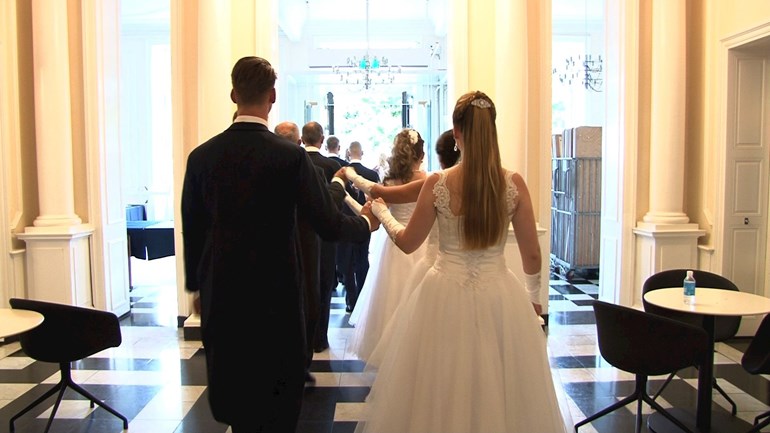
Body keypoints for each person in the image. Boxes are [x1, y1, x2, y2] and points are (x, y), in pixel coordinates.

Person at [180, 56, 379, 433]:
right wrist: (365, 225)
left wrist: (196, 285)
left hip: (223, 292)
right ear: (272, 96)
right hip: (278, 295)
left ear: (233, 94)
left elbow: (194, 227)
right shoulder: (290, 156)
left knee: (236, 397)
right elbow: (327, 222)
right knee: (277, 402)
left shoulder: (202, 157)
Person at [354, 91, 572, 433]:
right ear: (492, 129)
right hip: (501, 292)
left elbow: (409, 243)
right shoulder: (513, 183)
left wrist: (381, 212)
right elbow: (532, 254)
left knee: (440, 381)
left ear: (457, 132)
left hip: (442, 293)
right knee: (502, 383)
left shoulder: (438, 183)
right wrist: (533, 300)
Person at [347, 128, 428, 362]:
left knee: (391, 301)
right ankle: (416, 355)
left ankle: (391, 356)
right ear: (420, 155)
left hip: (394, 246)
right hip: (420, 244)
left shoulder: (389, 181)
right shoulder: (426, 180)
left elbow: (375, 218)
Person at [274, 120, 329, 382]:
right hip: (308, 247)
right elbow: (325, 212)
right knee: (309, 299)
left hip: (272, 254)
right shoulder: (314, 171)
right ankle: (303, 360)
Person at [301, 121, 343, 353]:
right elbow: (333, 205)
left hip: (300, 236)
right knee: (324, 284)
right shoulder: (331, 166)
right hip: (325, 235)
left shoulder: (295, 161)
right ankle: (320, 338)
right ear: (321, 139)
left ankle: (304, 336)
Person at [338, 141, 380, 313]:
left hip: (345, 221)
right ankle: (363, 296)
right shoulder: (371, 174)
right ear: (361, 153)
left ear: (348, 153)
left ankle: (351, 300)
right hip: (365, 222)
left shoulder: (342, 172)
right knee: (362, 259)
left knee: (347, 261)